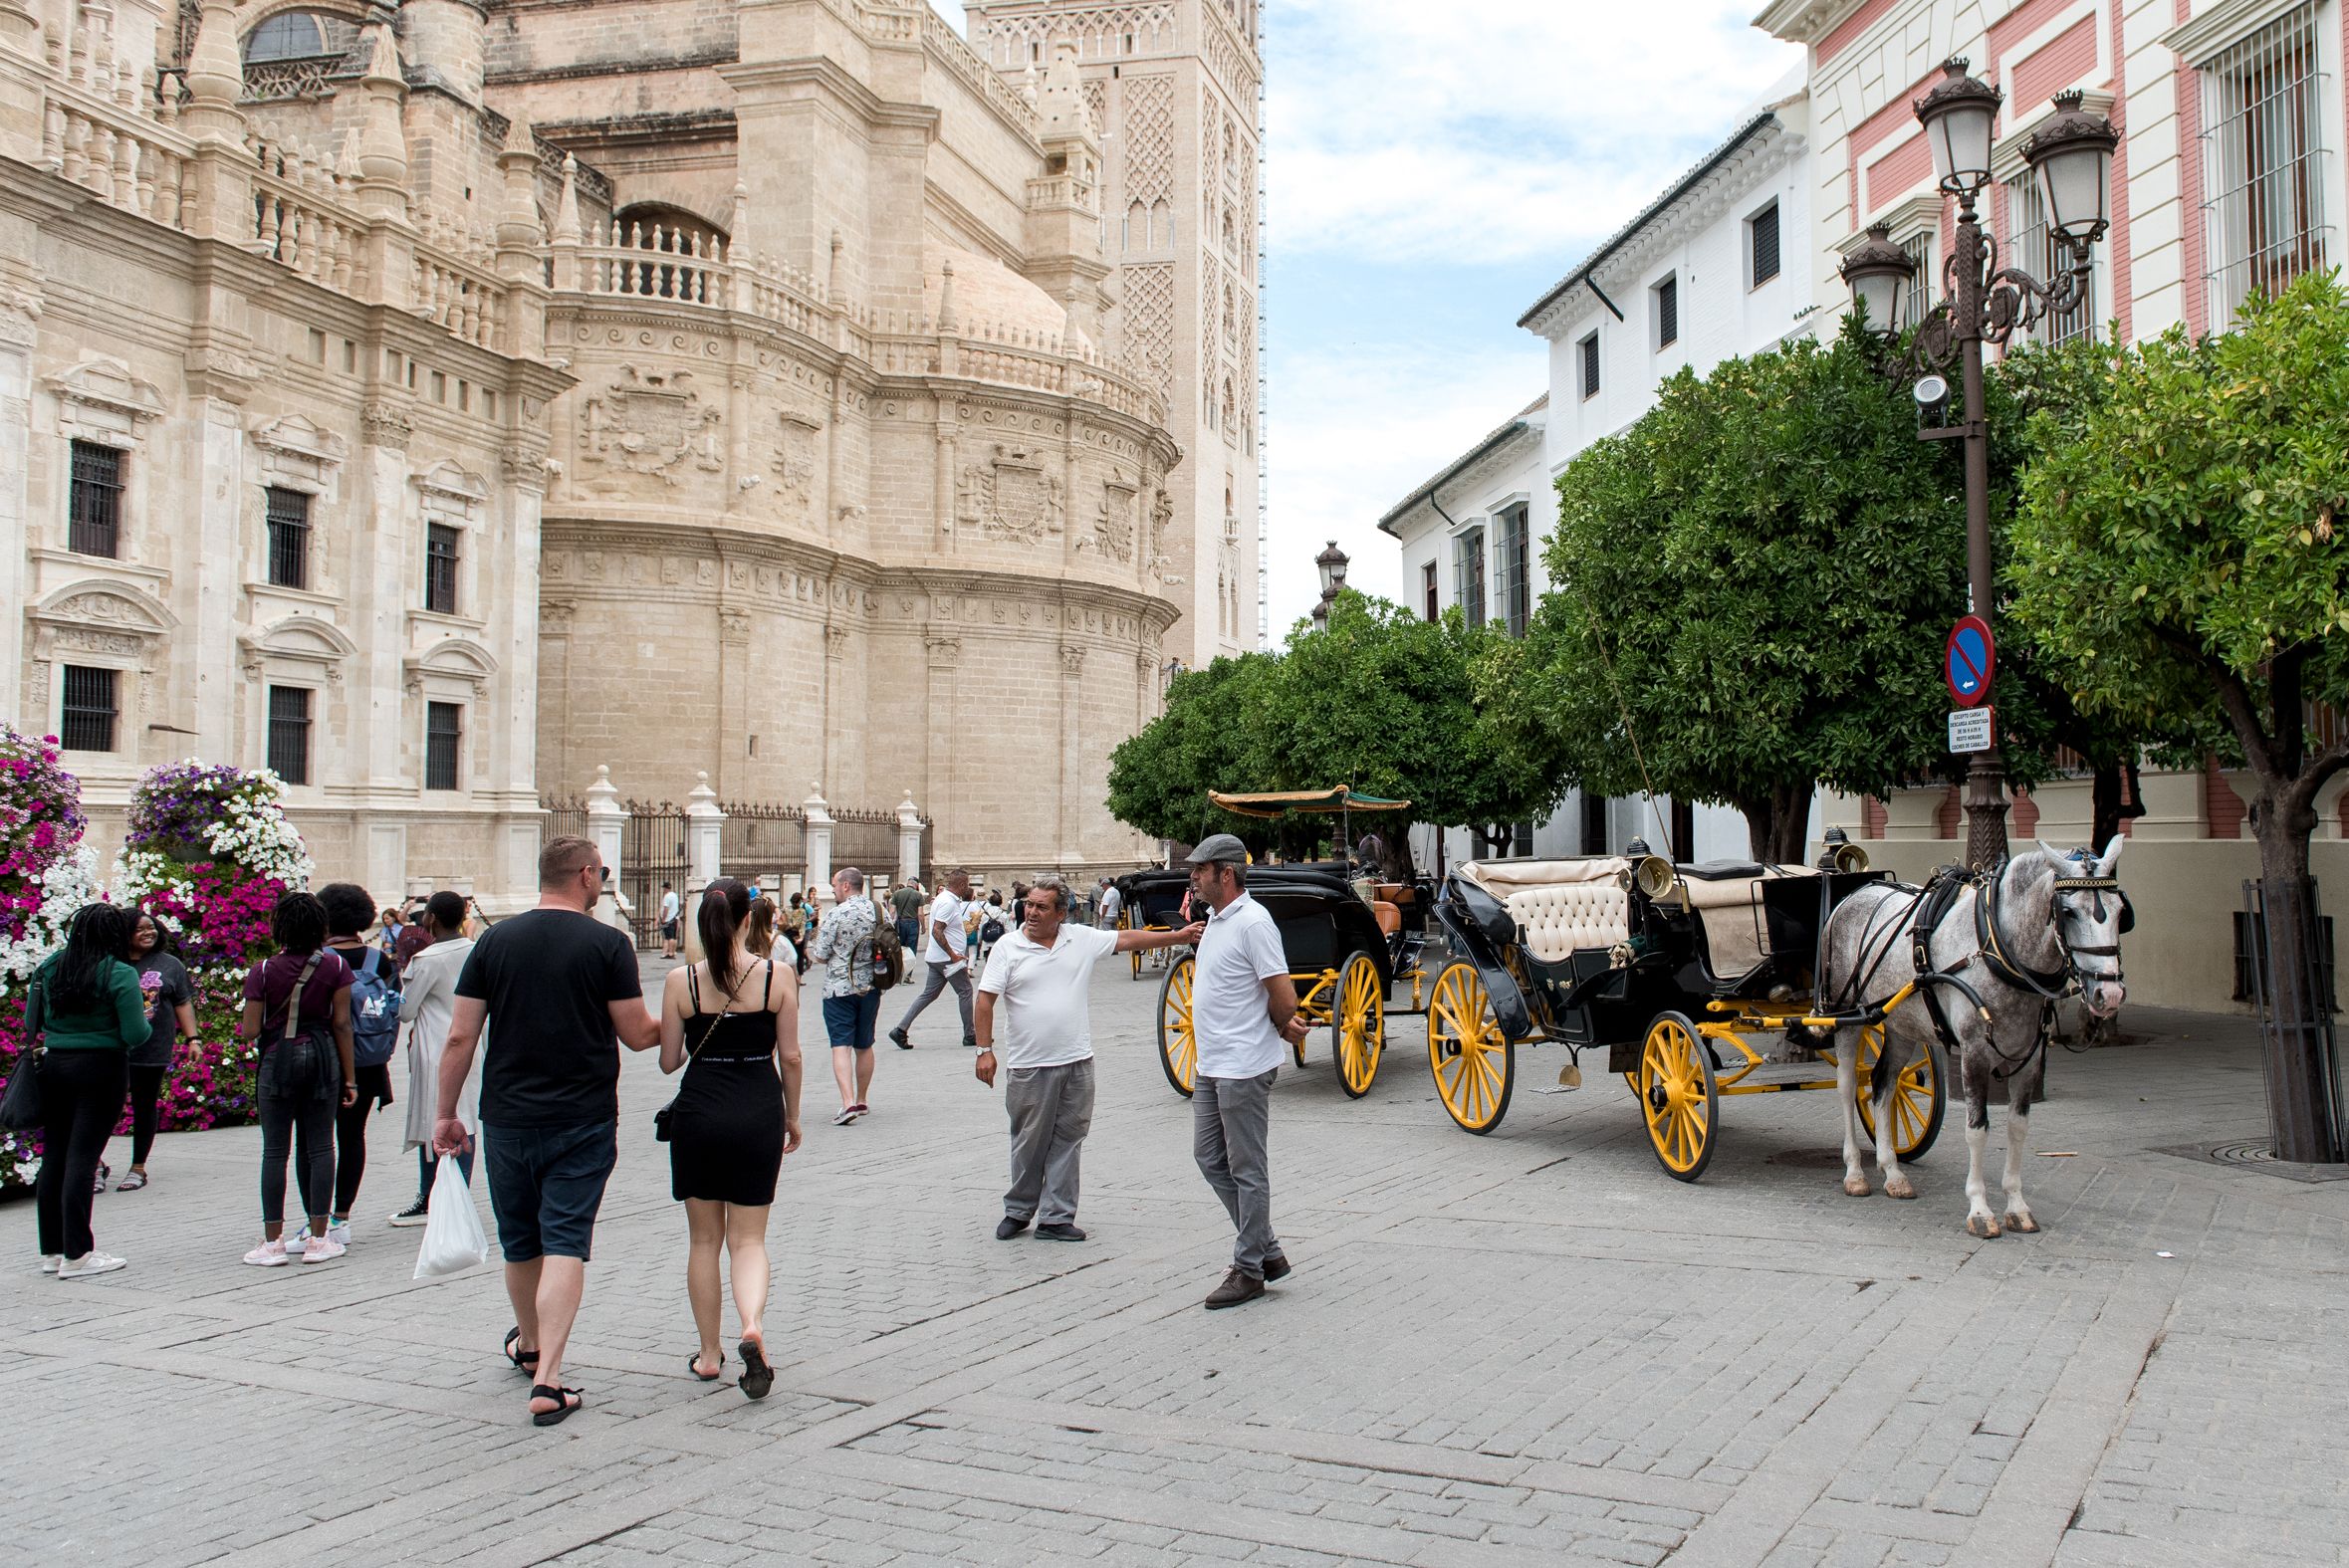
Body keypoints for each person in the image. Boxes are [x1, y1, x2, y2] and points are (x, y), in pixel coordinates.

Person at [435, 836, 660, 1427]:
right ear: (586, 875)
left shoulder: (493, 940)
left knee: (520, 1238)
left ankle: (530, 1343)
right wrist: (689, 1013)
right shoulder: (609, 943)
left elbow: (460, 1036)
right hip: (582, 1117)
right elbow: (637, 1034)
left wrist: (444, 1113)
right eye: (602, 872)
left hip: (506, 1115)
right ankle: (549, 1377)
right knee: (565, 1238)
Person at [973, 875, 1200, 1243]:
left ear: (1061, 913)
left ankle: (1056, 1217)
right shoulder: (1007, 948)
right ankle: (1018, 1210)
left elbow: (1126, 939)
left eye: (1040, 906)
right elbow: (984, 1000)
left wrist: (1177, 937)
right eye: (1029, 904)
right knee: (1029, 1140)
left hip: (1077, 1061)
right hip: (1030, 1065)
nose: (1030, 912)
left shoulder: (1078, 939)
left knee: (1068, 1139)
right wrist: (984, 1051)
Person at [658, 878, 802, 1398]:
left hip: (699, 1112)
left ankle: (709, 1353)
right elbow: (790, 1056)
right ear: (749, 920)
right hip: (758, 1108)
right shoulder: (776, 975)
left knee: (703, 1240)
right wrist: (794, 1116)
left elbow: (669, 1060)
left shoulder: (682, 982)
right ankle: (752, 1327)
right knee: (749, 1239)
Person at [1182, 834, 1307, 1309]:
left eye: (1200, 869)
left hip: (1243, 1066)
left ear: (1225, 873)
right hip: (1212, 1064)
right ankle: (1267, 1248)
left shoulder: (1253, 922)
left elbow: (1282, 990)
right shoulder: (1215, 919)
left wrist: (1282, 1024)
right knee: (1209, 1157)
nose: (1192, 876)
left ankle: (1250, 1268)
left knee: (1247, 1168)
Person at [239, 891, 359, 1267]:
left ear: (279, 927)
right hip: (323, 1057)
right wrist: (351, 1081)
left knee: (275, 1150)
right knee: (321, 1147)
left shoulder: (262, 970)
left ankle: (273, 1241)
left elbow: (249, 1030)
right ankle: (320, 1237)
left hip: (279, 1058)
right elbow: (342, 1023)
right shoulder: (336, 966)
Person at [27, 903, 143, 1278]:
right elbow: (135, 1033)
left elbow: (33, 1020)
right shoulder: (119, 973)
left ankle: (53, 1251)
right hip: (102, 1067)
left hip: (56, 1063)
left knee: (55, 1156)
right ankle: (78, 1254)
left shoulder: (49, 967)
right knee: (84, 1156)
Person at [317, 881, 400, 1246]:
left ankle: (315, 1216)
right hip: (368, 1061)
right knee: (353, 1137)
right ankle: (343, 1215)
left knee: (318, 1140)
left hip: (326, 1059)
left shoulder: (318, 959)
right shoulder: (377, 960)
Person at [388, 892, 476, 1227]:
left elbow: (406, 1011)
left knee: (433, 1119)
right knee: (466, 1116)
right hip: (473, 1043)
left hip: (435, 1047)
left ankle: (433, 1197)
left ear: (431, 919)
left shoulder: (426, 961)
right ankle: (455, 1194)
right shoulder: (474, 950)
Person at [106, 909, 196, 1195]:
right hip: (112, 1049)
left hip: (152, 1048)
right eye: (140, 929)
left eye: (151, 928)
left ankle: (138, 1167)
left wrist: (194, 1038)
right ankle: (95, 1164)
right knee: (104, 1107)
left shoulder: (169, 964)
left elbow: (182, 1002)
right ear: (124, 934)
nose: (148, 933)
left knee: (145, 1106)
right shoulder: (109, 963)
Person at [811, 868, 881, 1123]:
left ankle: (848, 1103)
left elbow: (820, 953)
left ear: (846, 886)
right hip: (871, 986)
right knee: (865, 1044)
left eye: (834, 886)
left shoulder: (836, 913)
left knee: (841, 1044)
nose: (833, 891)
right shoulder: (878, 910)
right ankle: (862, 1100)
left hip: (838, 988)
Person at [888, 867, 974, 1050]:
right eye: (967, 884)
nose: (968, 887)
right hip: (948, 959)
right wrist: (953, 955)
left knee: (929, 994)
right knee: (965, 991)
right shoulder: (948, 903)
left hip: (937, 957)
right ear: (961, 884)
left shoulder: (944, 899)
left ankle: (900, 1029)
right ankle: (970, 1034)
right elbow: (937, 930)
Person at [888, 878, 924, 974]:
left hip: (901, 923)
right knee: (911, 948)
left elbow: (892, 911)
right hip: (913, 923)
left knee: (901, 948)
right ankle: (908, 974)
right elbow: (920, 914)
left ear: (908, 883)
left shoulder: (897, 894)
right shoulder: (918, 895)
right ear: (916, 885)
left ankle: (900, 972)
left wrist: (890, 924)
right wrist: (923, 926)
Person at [658, 883, 682, 960]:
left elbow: (666, 908)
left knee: (669, 937)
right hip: (675, 918)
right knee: (674, 937)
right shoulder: (675, 895)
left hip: (669, 919)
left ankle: (670, 953)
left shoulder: (667, 896)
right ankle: (673, 952)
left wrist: (664, 919)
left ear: (665, 888)